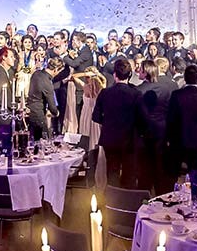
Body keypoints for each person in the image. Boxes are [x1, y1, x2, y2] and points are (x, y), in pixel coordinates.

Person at [92, 59, 141, 188]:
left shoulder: (105, 93)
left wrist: (108, 123)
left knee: (112, 172)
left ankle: (112, 198)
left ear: (114, 75)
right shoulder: (136, 94)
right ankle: (127, 198)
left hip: (110, 139)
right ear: (130, 75)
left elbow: (96, 117)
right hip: (129, 139)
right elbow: (141, 118)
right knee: (129, 173)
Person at [137, 60, 177, 193]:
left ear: (145, 72)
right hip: (162, 130)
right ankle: (161, 193)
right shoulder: (167, 88)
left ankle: (145, 194)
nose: (138, 71)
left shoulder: (139, 90)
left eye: (140, 69)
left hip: (144, 132)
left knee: (145, 166)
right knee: (160, 164)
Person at [167, 65, 197, 177]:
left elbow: (170, 119)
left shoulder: (176, 95)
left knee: (174, 173)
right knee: (194, 173)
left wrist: (169, 138)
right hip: (195, 140)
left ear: (184, 77)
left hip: (177, 140)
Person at [27, 58, 65, 141]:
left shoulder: (36, 73)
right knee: (41, 140)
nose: (58, 74)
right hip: (38, 113)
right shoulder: (47, 83)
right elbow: (52, 106)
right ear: (55, 69)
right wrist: (57, 113)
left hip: (29, 109)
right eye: (59, 71)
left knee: (31, 139)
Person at [72, 66, 106, 151]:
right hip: (95, 115)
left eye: (87, 77)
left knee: (86, 135)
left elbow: (73, 76)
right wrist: (95, 74)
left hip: (87, 115)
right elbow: (104, 79)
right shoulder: (102, 87)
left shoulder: (85, 87)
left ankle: (87, 154)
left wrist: (85, 74)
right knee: (95, 136)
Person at [0, 47, 16, 135]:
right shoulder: (0, 73)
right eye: (11, 56)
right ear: (4, 57)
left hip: (6, 114)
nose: (14, 59)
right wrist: (15, 106)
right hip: (1, 115)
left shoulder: (7, 72)